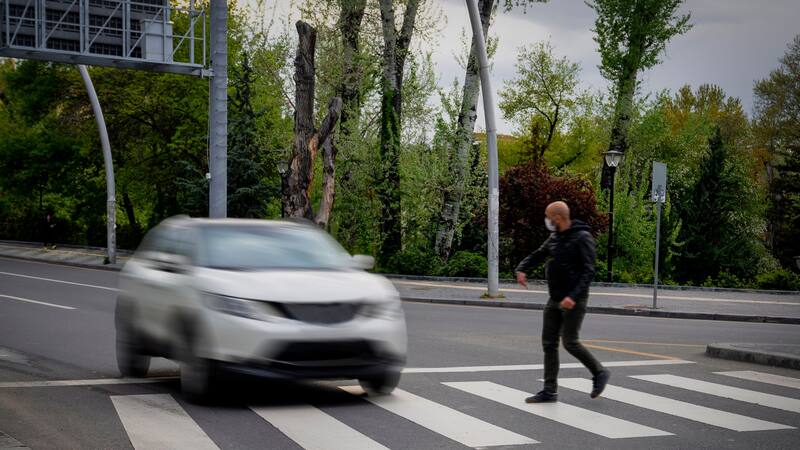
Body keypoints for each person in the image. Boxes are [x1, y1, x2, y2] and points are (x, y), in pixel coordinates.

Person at [515, 201, 609, 403]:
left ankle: (599, 372)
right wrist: (522, 269)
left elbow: (588, 271)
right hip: (555, 298)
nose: (547, 220)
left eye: (548, 216)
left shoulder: (583, 238)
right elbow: (538, 254)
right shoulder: (555, 237)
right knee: (549, 344)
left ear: (558, 218)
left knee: (570, 342)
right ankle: (549, 391)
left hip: (574, 300)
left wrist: (573, 297)